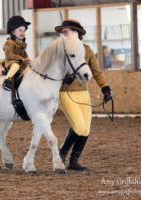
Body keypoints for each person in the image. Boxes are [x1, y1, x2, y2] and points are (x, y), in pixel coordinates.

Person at [55, 19, 112, 170]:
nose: (63, 34)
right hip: (67, 93)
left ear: (76, 33)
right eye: (62, 32)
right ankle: (61, 153)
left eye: (66, 31)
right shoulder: (59, 50)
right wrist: (62, 79)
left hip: (83, 94)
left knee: (85, 129)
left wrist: (105, 88)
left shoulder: (87, 50)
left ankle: (74, 161)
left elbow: (96, 71)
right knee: (79, 126)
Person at [2, 16, 31, 91]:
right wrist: (22, 59)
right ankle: (7, 81)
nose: (23, 33)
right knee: (16, 66)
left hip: (21, 64)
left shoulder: (22, 45)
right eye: (20, 30)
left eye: (24, 31)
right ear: (13, 32)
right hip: (11, 62)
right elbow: (9, 55)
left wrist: (28, 60)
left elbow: (24, 54)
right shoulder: (9, 43)